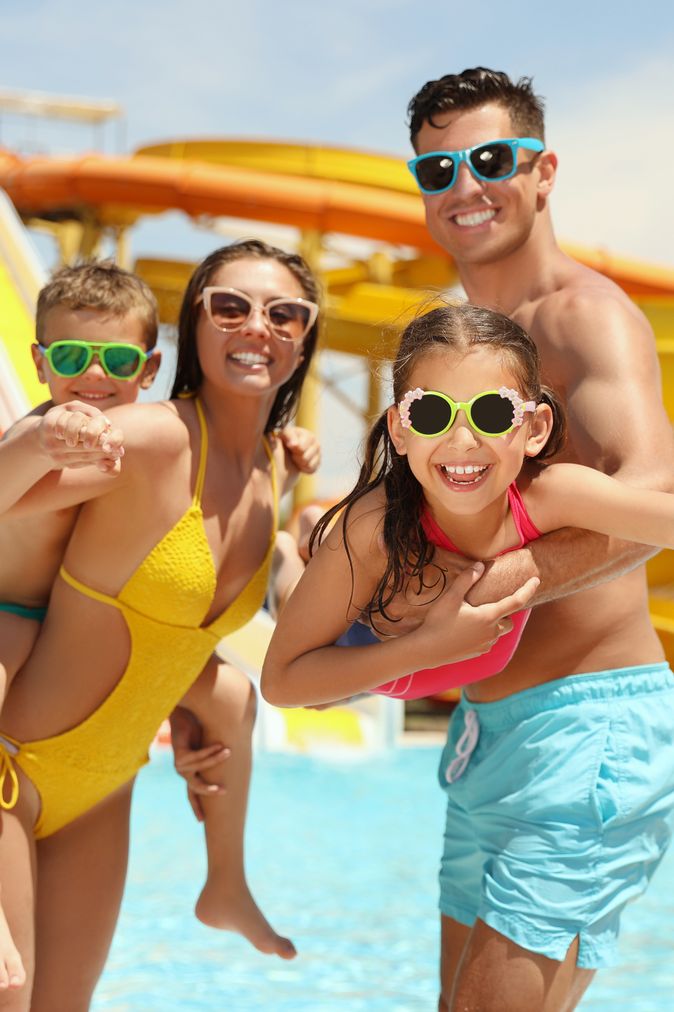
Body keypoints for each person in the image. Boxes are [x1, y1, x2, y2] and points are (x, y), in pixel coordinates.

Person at [262, 302, 674, 1010]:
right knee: (299, 571)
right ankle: (291, 548)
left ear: (534, 427)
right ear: (398, 425)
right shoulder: (369, 531)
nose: (461, 439)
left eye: (490, 412)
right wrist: (429, 645)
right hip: (380, 642)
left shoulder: (551, 497)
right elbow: (284, 680)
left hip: (572, 745)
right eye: (429, 415)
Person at [378, 67, 674, 1010]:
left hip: (586, 731)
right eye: (438, 170)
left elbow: (655, 497)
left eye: (491, 160)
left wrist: (495, 589)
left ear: (544, 172)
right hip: (487, 731)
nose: (465, 187)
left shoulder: (582, 317)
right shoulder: (456, 345)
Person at [0, 238, 320, 1010]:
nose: (258, 326)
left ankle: (227, 881)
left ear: (307, 335)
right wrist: (37, 438)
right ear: (195, 325)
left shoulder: (272, 467)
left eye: (285, 313)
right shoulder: (142, 437)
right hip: (14, 774)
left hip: (103, 790)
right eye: (230, 306)